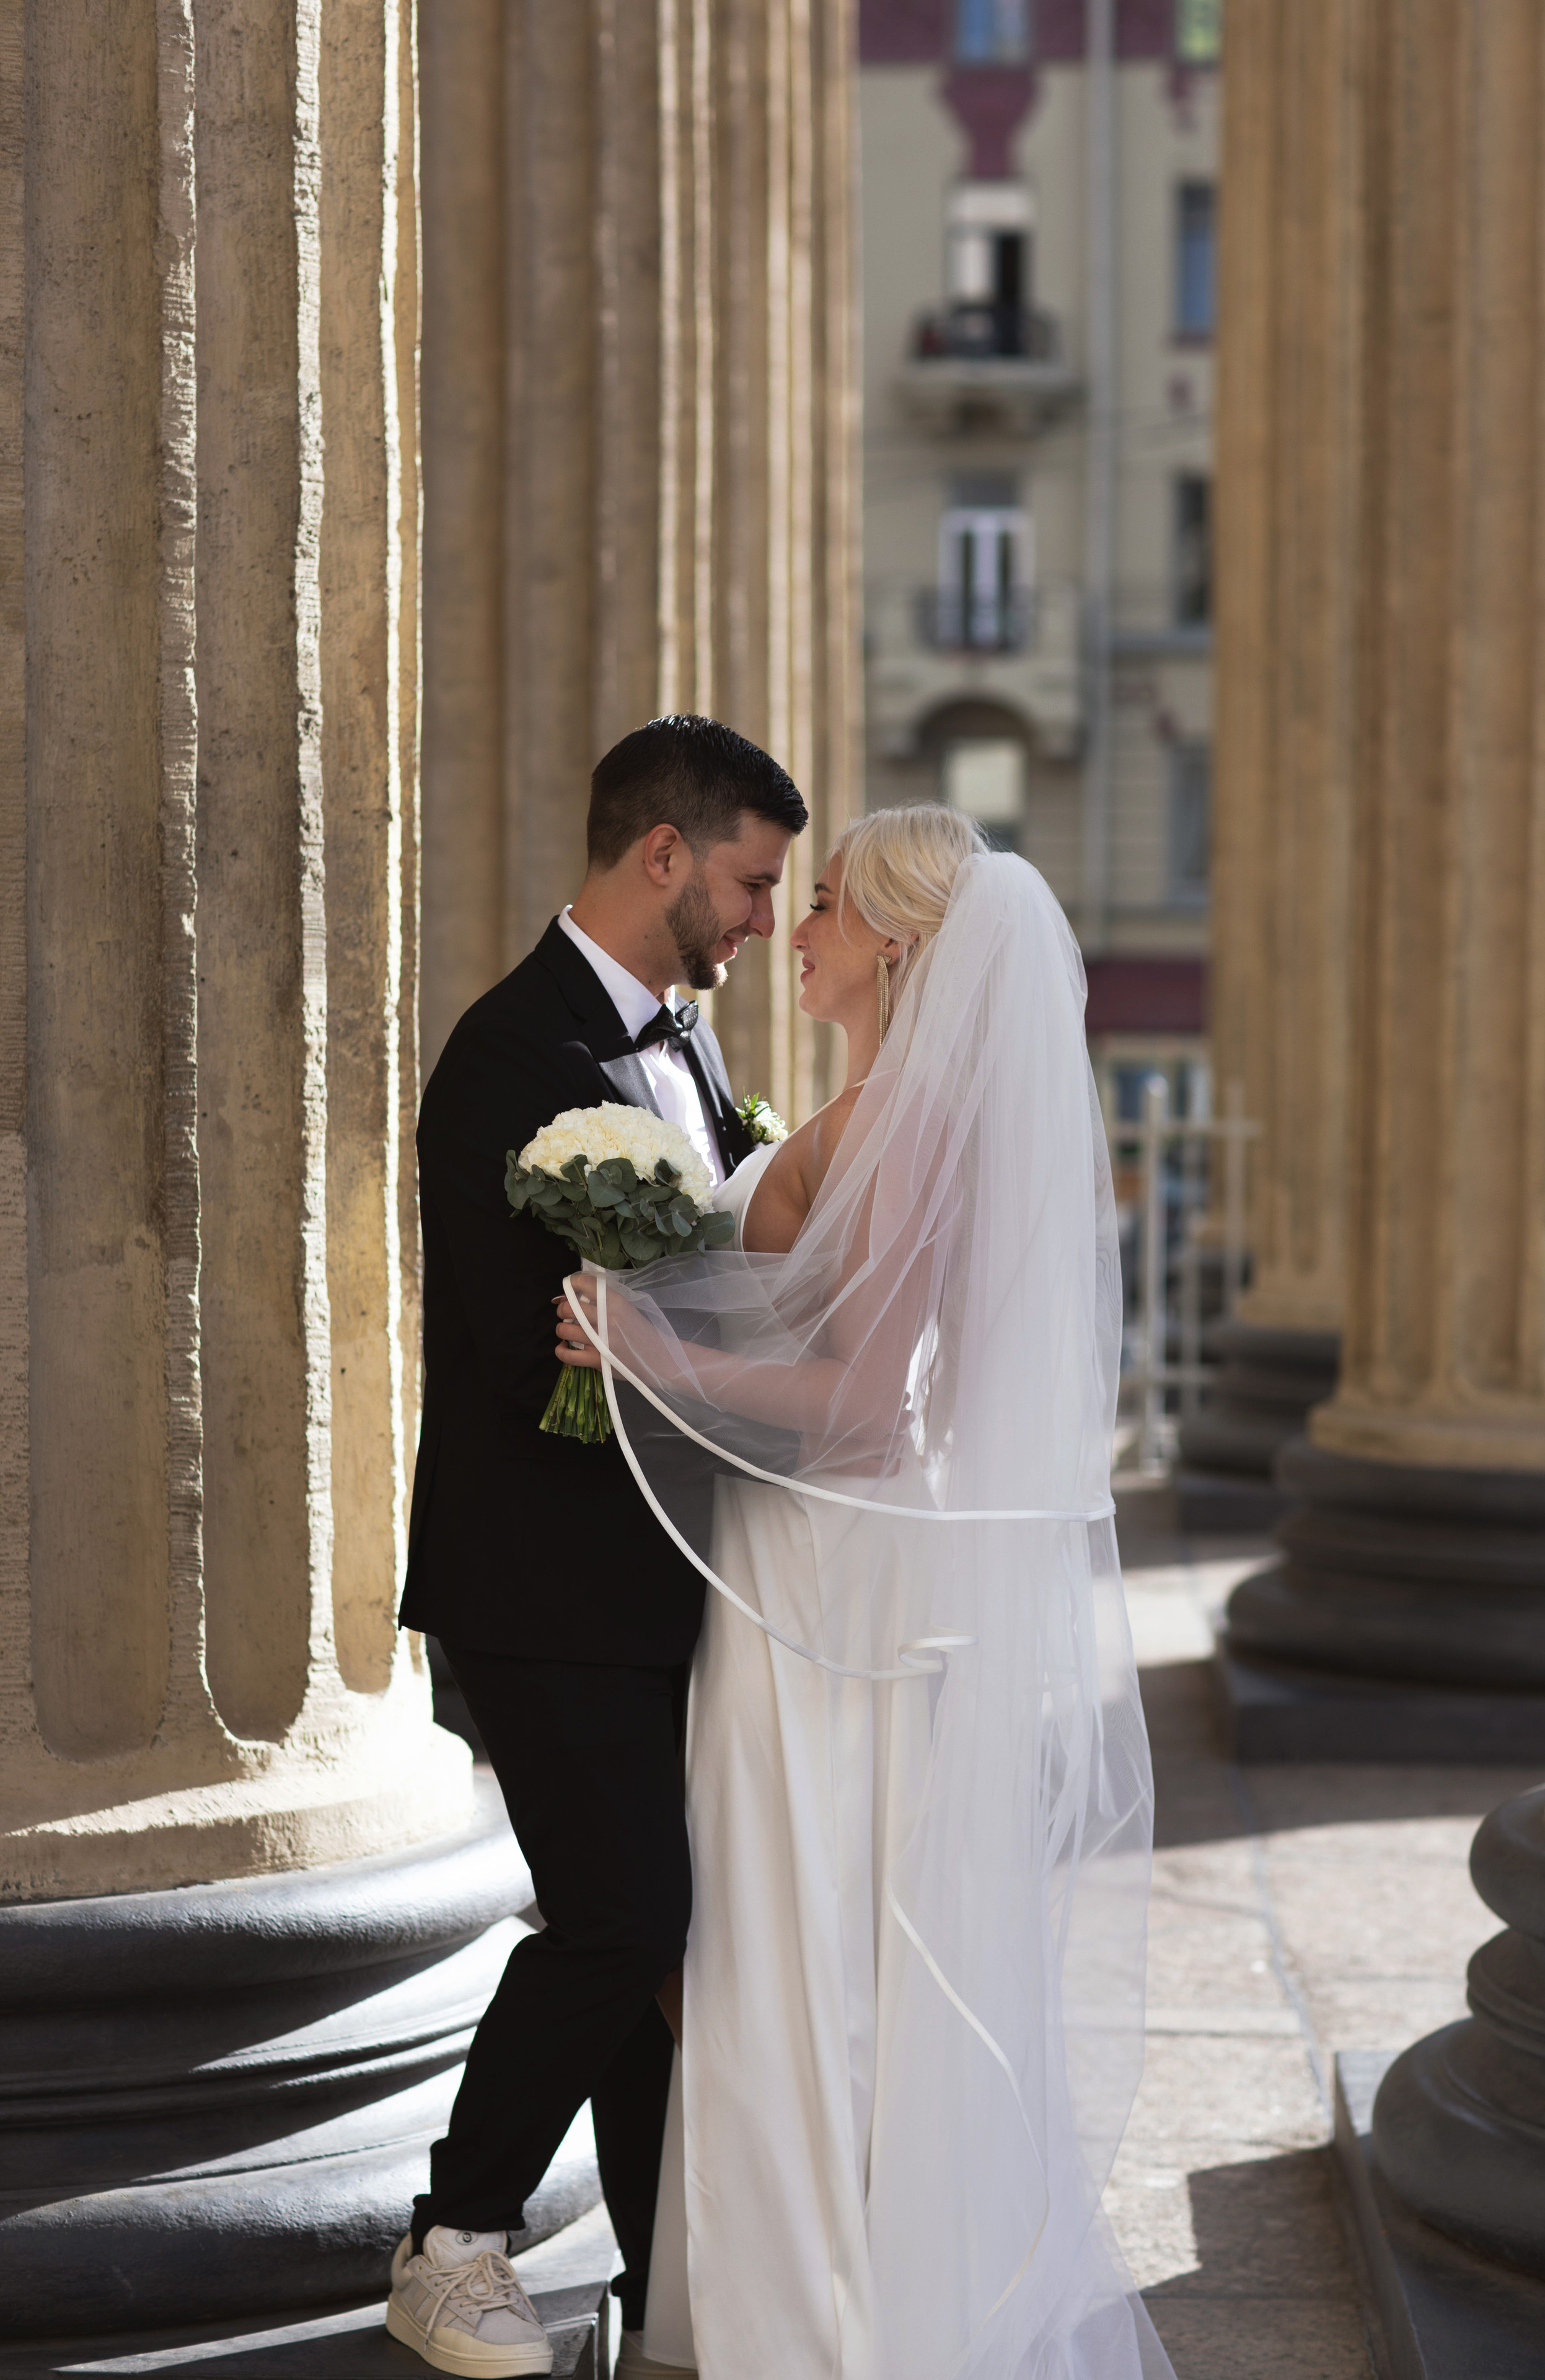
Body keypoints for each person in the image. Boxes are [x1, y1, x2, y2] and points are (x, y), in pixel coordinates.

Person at [555, 808, 1174, 2380]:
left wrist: (653, 1351)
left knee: (802, 1930)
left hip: (830, 1570)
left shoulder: (906, 1126)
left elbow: (861, 1405)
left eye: (823, 904)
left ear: (896, 950)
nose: (798, 928)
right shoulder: (884, 1108)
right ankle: (799, 2290)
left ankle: (824, 2321)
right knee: (792, 1920)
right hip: (812, 1558)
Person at [385, 715, 806, 2379]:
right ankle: (454, 2240)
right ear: (664, 856)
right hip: (540, 1589)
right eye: (753, 881)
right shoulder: (508, 1055)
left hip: (659, 1585)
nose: (765, 916)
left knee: (657, 1943)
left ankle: (661, 2298)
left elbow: (666, 1304)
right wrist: (684, 1356)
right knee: (627, 1920)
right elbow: (516, 1350)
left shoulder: (687, 1046)